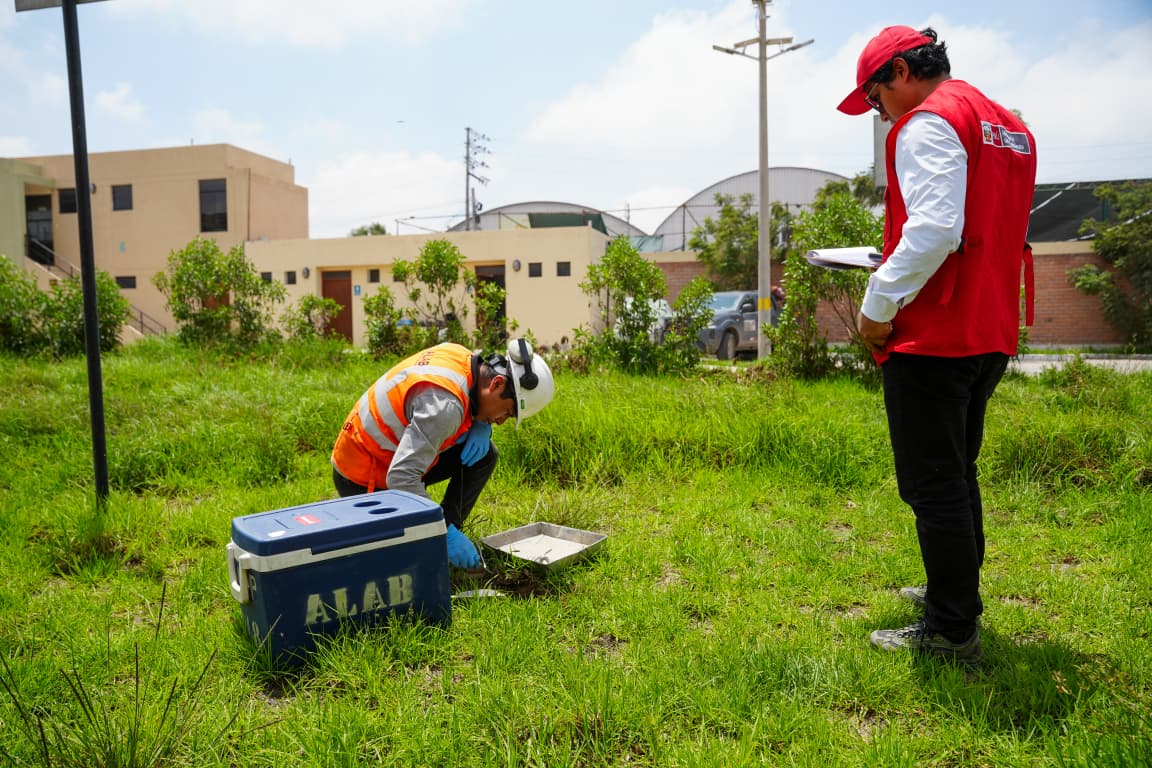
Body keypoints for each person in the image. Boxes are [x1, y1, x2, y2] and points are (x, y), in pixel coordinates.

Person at [838, 26, 1036, 661]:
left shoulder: (926, 123)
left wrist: (876, 306)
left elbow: (933, 230)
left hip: (935, 334)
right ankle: (955, 595)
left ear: (900, 71)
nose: (880, 113)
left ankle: (951, 629)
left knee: (934, 485)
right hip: (988, 327)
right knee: (957, 473)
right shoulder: (1006, 124)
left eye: (876, 99)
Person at [331, 338, 555, 568]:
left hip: (390, 453)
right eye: (506, 412)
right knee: (402, 562)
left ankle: (445, 528)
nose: (500, 422)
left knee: (485, 455)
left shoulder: (459, 355)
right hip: (363, 476)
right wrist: (442, 531)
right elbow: (400, 478)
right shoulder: (444, 409)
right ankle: (442, 537)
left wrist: (481, 422)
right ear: (496, 383)